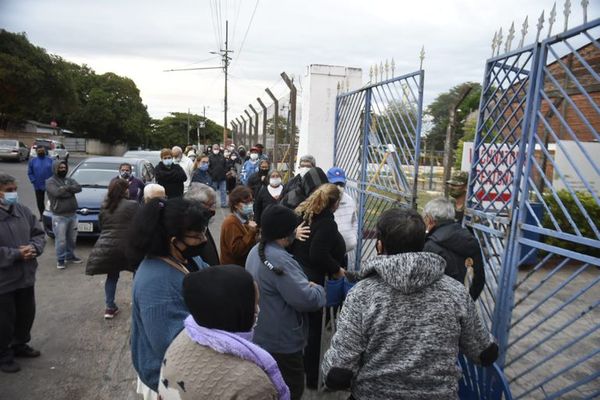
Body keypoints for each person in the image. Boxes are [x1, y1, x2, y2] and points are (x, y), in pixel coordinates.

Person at [321, 208, 498, 399]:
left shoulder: (362, 294)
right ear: (423, 242)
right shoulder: (455, 292)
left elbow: (337, 372)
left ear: (379, 245)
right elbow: (484, 353)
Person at [158, 266, 289, 400]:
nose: (257, 310)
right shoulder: (253, 385)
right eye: (254, 304)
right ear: (238, 312)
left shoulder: (183, 336)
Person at [129, 198, 211, 397]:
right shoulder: (157, 283)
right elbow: (173, 347)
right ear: (173, 240)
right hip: (169, 381)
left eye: (204, 231)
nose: (204, 239)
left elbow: (207, 276)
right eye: (196, 235)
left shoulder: (184, 257)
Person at [246, 204, 326, 400]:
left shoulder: (257, 251)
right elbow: (306, 300)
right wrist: (318, 289)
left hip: (261, 334)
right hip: (282, 343)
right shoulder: (279, 260)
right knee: (291, 389)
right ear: (285, 234)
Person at [292, 183, 346, 389]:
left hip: (299, 274)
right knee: (315, 331)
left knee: (302, 326)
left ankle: (303, 368)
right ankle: (313, 378)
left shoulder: (305, 214)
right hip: (314, 279)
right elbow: (318, 253)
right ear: (335, 204)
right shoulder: (326, 223)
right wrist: (336, 269)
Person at [0, 173, 46, 373]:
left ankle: (20, 344)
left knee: (26, 314)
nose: (13, 194)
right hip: (4, 281)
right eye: (8, 191)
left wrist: (34, 248)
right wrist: (16, 254)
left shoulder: (22, 210)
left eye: (14, 190)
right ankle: (3, 354)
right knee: (4, 321)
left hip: (26, 276)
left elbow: (38, 233)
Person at [85, 179, 139, 319]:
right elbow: (138, 225)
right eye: (127, 188)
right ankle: (136, 303)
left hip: (108, 246)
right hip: (128, 246)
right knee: (137, 274)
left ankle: (109, 308)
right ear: (124, 190)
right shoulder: (133, 205)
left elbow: (101, 225)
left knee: (112, 276)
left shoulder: (105, 206)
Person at [423, 197, 485, 300]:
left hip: (442, 309)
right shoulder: (470, 238)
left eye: (424, 217)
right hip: (466, 303)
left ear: (430, 219)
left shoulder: (431, 245)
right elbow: (479, 278)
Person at [45, 160, 82, 269]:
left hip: (72, 215)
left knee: (72, 239)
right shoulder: (50, 182)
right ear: (55, 169)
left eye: (64, 167)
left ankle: (70, 256)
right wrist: (70, 190)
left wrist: (66, 189)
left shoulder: (69, 179)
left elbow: (79, 188)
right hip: (59, 216)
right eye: (60, 168)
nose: (63, 169)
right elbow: (56, 193)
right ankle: (60, 260)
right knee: (61, 240)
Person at [327, 167, 358, 266]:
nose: (338, 187)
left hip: (344, 252)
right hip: (328, 253)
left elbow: (354, 221)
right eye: (335, 184)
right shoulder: (324, 201)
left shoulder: (350, 200)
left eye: (341, 184)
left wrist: (353, 238)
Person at [220, 186, 258, 266]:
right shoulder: (231, 223)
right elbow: (236, 251)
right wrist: (251, 233)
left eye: (251, 202)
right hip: (234, 269)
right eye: (246, 203)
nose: (250, 205)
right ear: (236, 205)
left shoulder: (245, 218)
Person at [184, 183, 220, 266]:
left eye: (214, 204)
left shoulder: (203, 224)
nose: (213, 210)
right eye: (210, 205)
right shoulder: (190, 230)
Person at [27, 146, 53, 220]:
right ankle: (42, 215)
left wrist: (53, 181)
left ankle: (52, 214)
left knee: (52, 200)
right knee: (40, 201)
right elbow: (30, 172)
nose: (41, 152)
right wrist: (33, 180)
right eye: (39, 151)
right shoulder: (33, 161)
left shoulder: (50, 160)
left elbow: (54, 171)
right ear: (36, 152)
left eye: (42, 151)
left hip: (50, 184)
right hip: (37, 184)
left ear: (45, 152)